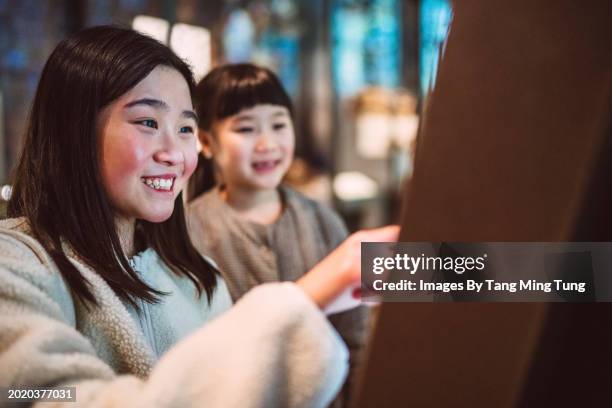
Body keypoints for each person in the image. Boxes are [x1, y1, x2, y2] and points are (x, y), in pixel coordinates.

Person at [0, 26, 399, 407]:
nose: (173, 152)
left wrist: (450, 269)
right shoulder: (16, 264)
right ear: (73, 129)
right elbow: (42, 397)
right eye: (148, 123)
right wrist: (307, 298)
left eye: (185, 128)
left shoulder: (198, 278)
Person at [186, 63, 370, 406]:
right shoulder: (188, 231)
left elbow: (356, 336)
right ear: (206, 142)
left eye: (279, 124)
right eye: (246, 128)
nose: (267, 143)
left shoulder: (323, 221)